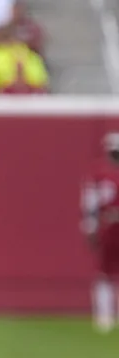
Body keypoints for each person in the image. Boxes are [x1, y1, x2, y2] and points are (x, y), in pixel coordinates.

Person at [82, 132, 119, 333]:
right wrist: (89, 227)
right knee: (104, 271)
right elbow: (90, 202)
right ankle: (104, 314)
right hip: (108, 225)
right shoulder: (99, 174)